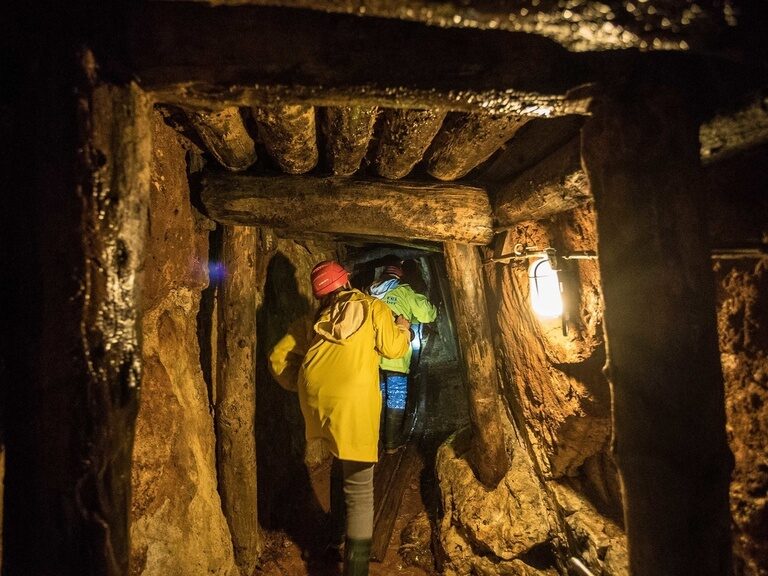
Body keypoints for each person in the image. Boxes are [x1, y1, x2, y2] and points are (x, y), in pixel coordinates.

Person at [268, 260, 411, 576]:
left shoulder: (312, 320)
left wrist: (302, 386)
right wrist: (403, 327)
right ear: (346, 283)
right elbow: (393, 349)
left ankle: (334, 531)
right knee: (360, 490)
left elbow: (278, 359)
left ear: (320, 294)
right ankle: (355, 570)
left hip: (318, 403)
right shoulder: (372, 308)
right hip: (354, 405)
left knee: (338, 452)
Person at [367, 259, 438, 453]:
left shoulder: (368, 294)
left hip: (372, 357)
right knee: (396, 397)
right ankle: (391, 442)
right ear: (399, 275)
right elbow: (427, 314)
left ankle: (374, 441)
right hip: (395, 357)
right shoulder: (404, 292)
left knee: (378, 397)